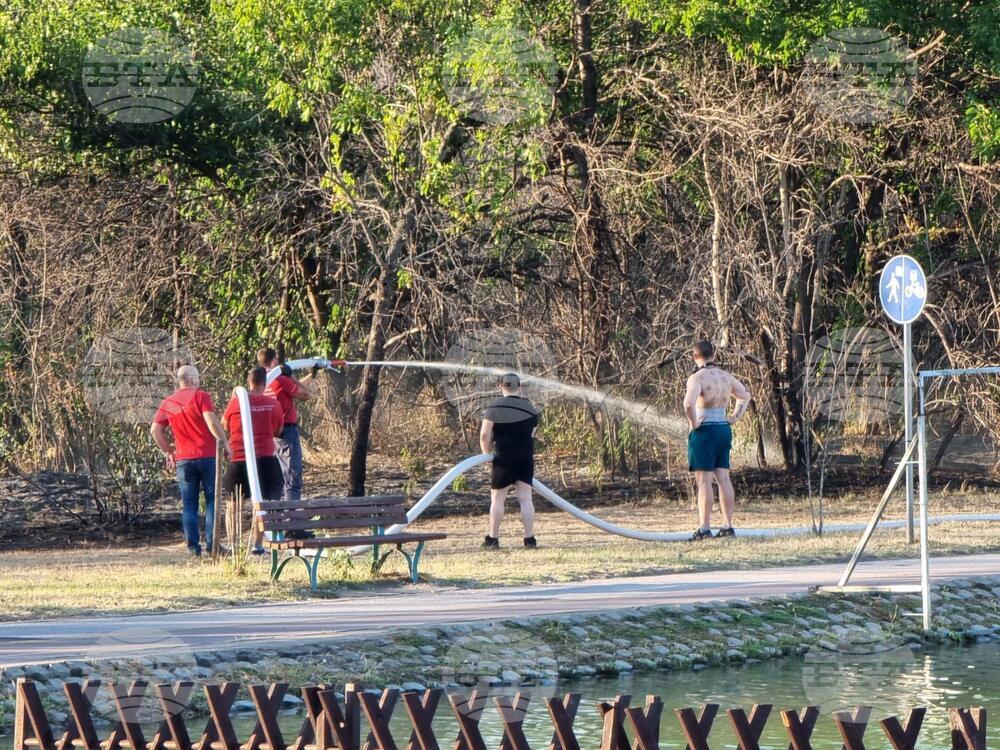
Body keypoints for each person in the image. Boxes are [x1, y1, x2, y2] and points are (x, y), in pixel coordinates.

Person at [150, 365, 230, 557]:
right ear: (192, 379)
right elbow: (211, 421)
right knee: (212, 501)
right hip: (207, 456)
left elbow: (155, 430)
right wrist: (225, 443)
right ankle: (213, 545)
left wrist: (169, 451)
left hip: (183, 460)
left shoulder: (169, 401)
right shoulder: (201, 396)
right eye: (198, 377)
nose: (199, 380)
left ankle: (193, 548)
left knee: (190, 504)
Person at [683, 340, 752, 541]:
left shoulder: (697, 378)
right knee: (723, 478)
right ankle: (727, 526)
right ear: (713, 354)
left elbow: (688, 404)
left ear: (695, 356)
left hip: (704, 431)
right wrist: (735, 417)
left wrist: (694, 423)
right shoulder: (726, 376)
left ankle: (704, 528)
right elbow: (745, 396)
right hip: (723, 429)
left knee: (703, 481)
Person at [221, 367, 285, 554]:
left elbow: (225, 425)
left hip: (239, 459)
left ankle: (234, 544)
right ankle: (257, 545)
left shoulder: (235, 403)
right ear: (265, 383)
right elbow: (279, 431)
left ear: (248, 382)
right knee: (262, 504)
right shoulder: (273, 404)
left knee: (233, 505)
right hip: (264, 459)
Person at [479, 372, 540, 549]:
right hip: (525, 456)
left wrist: (485, 454)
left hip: (504, 457)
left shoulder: (494, 407)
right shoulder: (529, 407)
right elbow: (532, 433)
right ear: (519, 387)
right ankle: (529, 539)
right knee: (526, 498)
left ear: (501, 387)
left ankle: (493, 539)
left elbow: (484, 435)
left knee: (498, 499)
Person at [257, 348, 313, 505]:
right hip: (287, 432)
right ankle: (291, 521)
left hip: (270, 434)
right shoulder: (281, 380)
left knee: (280, 477)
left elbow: (294, 389)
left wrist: (312, 375)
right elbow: (306, 395)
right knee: (292, 478)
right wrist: (291, 377)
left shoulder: (263, 381)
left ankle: (277, 516)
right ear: (274, 361)